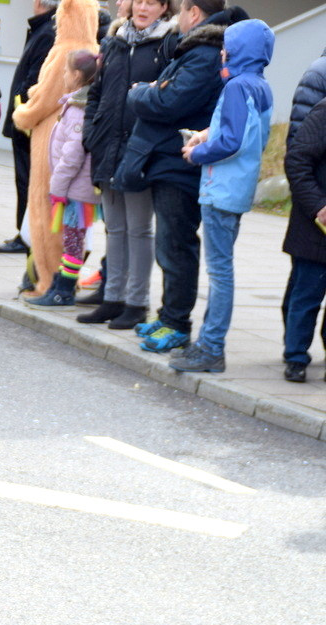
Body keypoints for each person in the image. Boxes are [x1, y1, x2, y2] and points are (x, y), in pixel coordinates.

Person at [120, 0, 249, 353]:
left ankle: (176, 323)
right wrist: (154, 90)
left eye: (180, 12)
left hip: (179, 164)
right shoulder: (200, 49)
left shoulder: (205, 53)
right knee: (169, 244)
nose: (177, 19)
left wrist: (140, 93)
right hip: (171, 160)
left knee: (176, 246)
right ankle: (167, 317)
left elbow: (169, 102)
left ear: (193, 13)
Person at [169, 19, 273, 373]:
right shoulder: (257, 85)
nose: (223, 51)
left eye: (228, 45)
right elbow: (241, 129)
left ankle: (211, 347)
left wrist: (196, 153)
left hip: (221, 189)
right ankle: (208, 344)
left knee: (220, 272)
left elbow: (232, 141)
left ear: (240, 50)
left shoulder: (235, 86)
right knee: (221, 270)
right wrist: (204, 134)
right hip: (237, 187)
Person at [78, 0, 176, 328]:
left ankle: (137, 303)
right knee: (114, 228)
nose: (143, 7)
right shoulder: (113, 41)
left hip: (140, 150)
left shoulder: (167, 44)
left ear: (164, 8)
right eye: (139, 1)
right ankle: (112, 298)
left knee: (139, 229)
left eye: (152, 2)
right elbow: (96, 93)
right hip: (107, 146)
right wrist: (92, 133)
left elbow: (166, 97)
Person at [11, 0, 98, 297]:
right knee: (71, 223)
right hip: (75, 143)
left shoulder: (63, 51)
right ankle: (58, 278)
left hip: (51, 137)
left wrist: (22, 114)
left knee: (45, 212)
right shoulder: (96, 50)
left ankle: (46, 281)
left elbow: (45, 97)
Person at [26, 50, 100, 308]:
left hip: (76, 189)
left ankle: (64, 290)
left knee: (72, 241)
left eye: (67, 71)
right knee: (72, 239)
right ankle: (61, 284)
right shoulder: (76, 103)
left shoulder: (79, 109)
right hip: (74, 187)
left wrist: (57, 188)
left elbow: (72, 155)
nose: (64, 75)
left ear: (77, 75)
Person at [0, 0, 57, 256]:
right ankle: (26, 233)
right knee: (25, 178)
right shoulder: (42, 28)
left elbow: (33, 80)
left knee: (28, 179)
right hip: (25, 117)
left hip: (29, 120)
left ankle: (27, 235)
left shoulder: (46, 31)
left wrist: (22, 113)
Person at [280, 46, 326, 357]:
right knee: (306, 293)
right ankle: (295, 355)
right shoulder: (324, 111)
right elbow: (297, 160)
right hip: (316, 223)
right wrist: (319, 207)